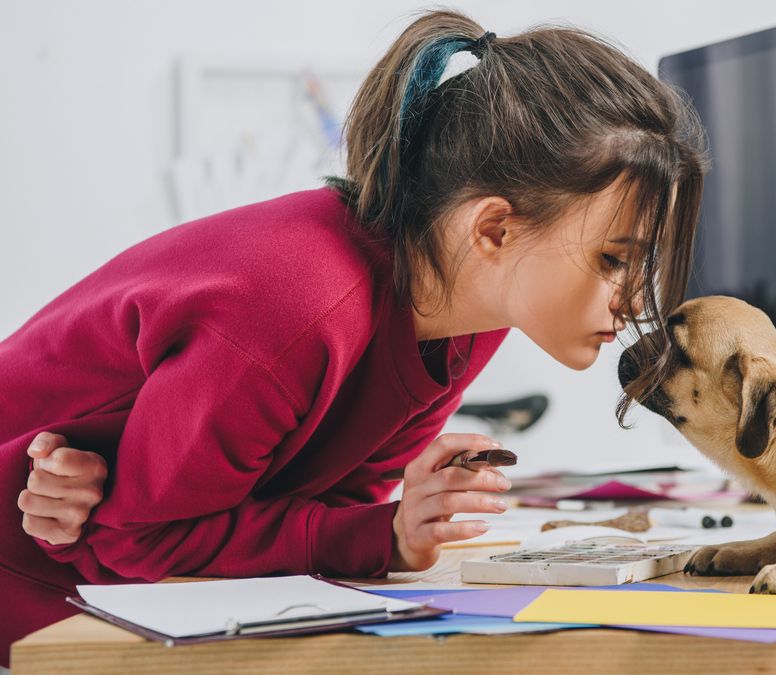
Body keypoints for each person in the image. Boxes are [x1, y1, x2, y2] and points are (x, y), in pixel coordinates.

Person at [0, 10, 705, 663]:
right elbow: (136, 541)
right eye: (615, 259)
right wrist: (380, 536)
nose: (638, 297)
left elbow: (335, 501)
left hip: (96, 587)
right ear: (492, 229)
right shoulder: (297, 307)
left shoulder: (466, 316)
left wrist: (390, 528)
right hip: (38, 587)